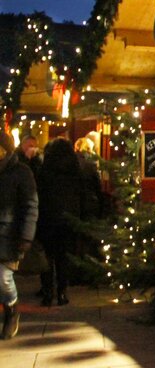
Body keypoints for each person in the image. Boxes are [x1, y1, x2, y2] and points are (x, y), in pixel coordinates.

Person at [37, 138, 92, 306]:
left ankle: (48, 292)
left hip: (48, 217)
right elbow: (83, 196)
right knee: (63, 257)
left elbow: (39, 194)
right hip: (68, 218)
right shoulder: (75, 172)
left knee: (47, 257)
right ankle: (62, 292)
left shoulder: (45, 171)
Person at [0, 131, 38, 339]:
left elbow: (30, 203)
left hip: (8, 234)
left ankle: (11, 308)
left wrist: (26, 235)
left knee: (3, 278)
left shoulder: (20, 172)